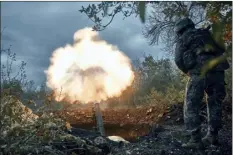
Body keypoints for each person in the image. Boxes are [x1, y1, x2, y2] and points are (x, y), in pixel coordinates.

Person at [174, 18, 230, 149]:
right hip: (218, 72)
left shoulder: (184, 38)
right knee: (215, 104)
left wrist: (186, 70)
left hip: (199, 73)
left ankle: (195, 139)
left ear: (180, 30)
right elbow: (222, 49)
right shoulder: (208, 34)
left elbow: (178, 59)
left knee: (191, 105)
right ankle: (213, 136)